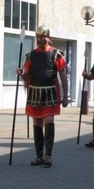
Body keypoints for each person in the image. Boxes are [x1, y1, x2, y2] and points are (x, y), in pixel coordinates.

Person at [16, 25, 68, 166]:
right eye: (38, 37)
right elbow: (27, 77)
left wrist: (65, 95)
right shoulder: (31, 55)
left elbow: (63, 77)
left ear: (47, 38)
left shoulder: (57, 54)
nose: (39, 39)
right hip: (35, 91)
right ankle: (39, 156)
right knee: (37, 123)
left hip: (50, 91)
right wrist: (21, 74)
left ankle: (48, 155)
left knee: (49, 120)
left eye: (42, 37)